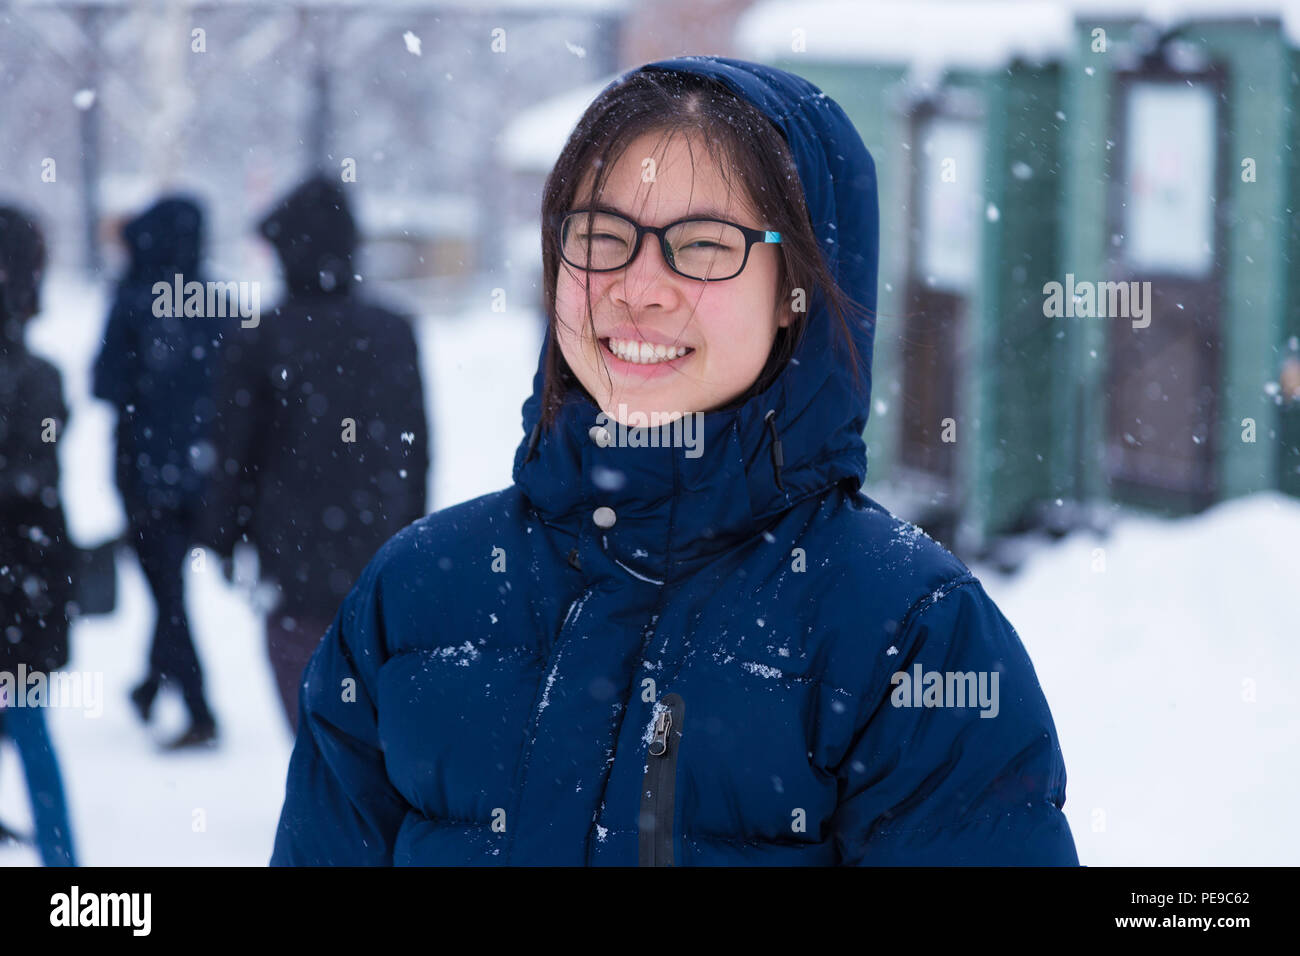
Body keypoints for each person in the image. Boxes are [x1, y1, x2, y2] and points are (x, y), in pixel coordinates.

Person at [271, 56, 1079, 866]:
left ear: (797, 287)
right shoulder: (415, 594)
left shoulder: (909, 634)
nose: (637, 286)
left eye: (701, 245)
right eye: (601, 236)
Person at [199, 175, 429, 734]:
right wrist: (417, 533)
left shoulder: (261, 336)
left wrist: (222, 534)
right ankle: (361, 811)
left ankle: (327, 807)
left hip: (292, 551)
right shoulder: (392, 330)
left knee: (308, 711)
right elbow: (418, 448)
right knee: (370, 709)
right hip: (380, 548)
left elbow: (235, 451)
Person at [92, 196, 221, 750]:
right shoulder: (217, 299)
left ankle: (199, 709)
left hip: (144, 473)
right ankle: (151, 684)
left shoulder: (134, 298)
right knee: (168, 583)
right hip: (206, 471)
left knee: (166, 590)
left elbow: (105, 383)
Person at [0, 205, 79, 866]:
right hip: (22, 588)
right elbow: (37, 488)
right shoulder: (39, 377)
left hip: (21, 583)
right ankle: (65, 871)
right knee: (30, 728)